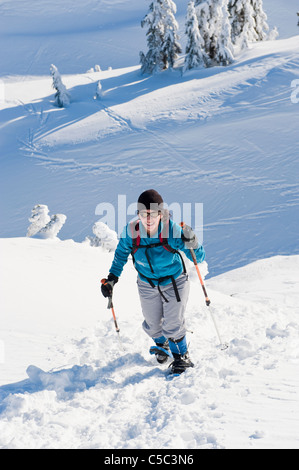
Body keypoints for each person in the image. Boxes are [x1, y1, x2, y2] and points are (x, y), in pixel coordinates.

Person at [101, 189, 205, 374]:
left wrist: (193, 241)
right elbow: (120, 256)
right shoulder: (132, 231)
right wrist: (112, 279)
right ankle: (162, 344)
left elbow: (199, 256)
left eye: (152, 213)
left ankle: (181, 356)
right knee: (153, 324)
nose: (148, 218)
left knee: (173, 322)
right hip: (147, 282)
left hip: (174, 281)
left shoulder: (171, 230)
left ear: (161, 213)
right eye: (143, 213)